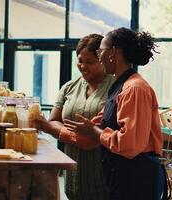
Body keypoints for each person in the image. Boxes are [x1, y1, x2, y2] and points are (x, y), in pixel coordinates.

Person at [64, 27, 168, 200]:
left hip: (137, 178)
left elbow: (129, 144)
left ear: (113, 53)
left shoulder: (134, 88)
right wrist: (88, 126)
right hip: (122, 175)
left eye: (100, 51)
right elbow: (103, 120)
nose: (99, 57)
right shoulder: (120, 85)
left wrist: (95, 132)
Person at [35, 33, 114, 200]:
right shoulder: (69, 87)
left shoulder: (116, 88)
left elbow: (94, 139)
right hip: (73, 176)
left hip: (104, 177)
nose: (83, 66)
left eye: (90, 62)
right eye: (80, 61)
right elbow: (54, 120)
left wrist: (55, 129)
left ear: (103, 59)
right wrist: (55, 127)